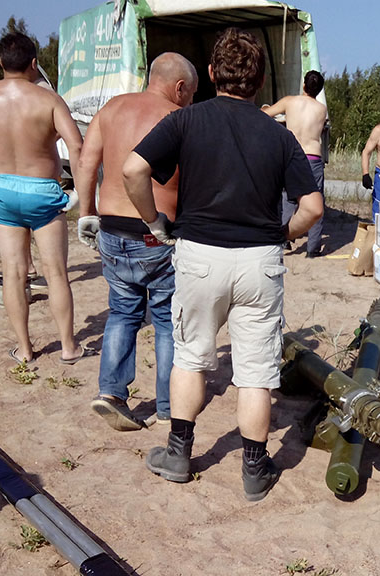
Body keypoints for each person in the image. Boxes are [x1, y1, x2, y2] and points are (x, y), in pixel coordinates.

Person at [123, 27, 323, 502]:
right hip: (259, 262)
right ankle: (254, 469)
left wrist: (155, 221)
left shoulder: (187, 120)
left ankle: (178, 454)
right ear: (260, 81)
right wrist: (282, 234)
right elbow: (312, 208)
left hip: (200, 256)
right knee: (256, 373)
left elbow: (133, 169)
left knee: (191, 357)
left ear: (212, 73)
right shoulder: (279, 136)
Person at [76, 53, 198, 431]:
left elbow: (85, 163)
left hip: (111, 230)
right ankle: (167, 405)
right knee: (165, 320)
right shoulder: (180, 119)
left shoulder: (111, 108)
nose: (191, 100)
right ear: (180, 87)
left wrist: (86, 213)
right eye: (191, 93)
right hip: (156, 234)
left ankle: (111, 393)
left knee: (123, 312)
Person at [0, 32, 90, 365]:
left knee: (13, 272)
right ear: (34, 63)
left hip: (0, 191)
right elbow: (76, 146)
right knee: (56, 273)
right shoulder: (49, 100)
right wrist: (80, 196)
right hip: (42, 191)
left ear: (0, 62)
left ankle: (25, 350)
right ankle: (69, 347)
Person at [262, 70, 328, 257]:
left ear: (304, 85)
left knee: (288, 199)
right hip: (313, 157)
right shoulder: (321, 109)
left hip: (293, 155)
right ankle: (313, 249)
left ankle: (284, 240)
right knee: (315, 200)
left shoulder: (289, 102)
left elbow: (265, 114)